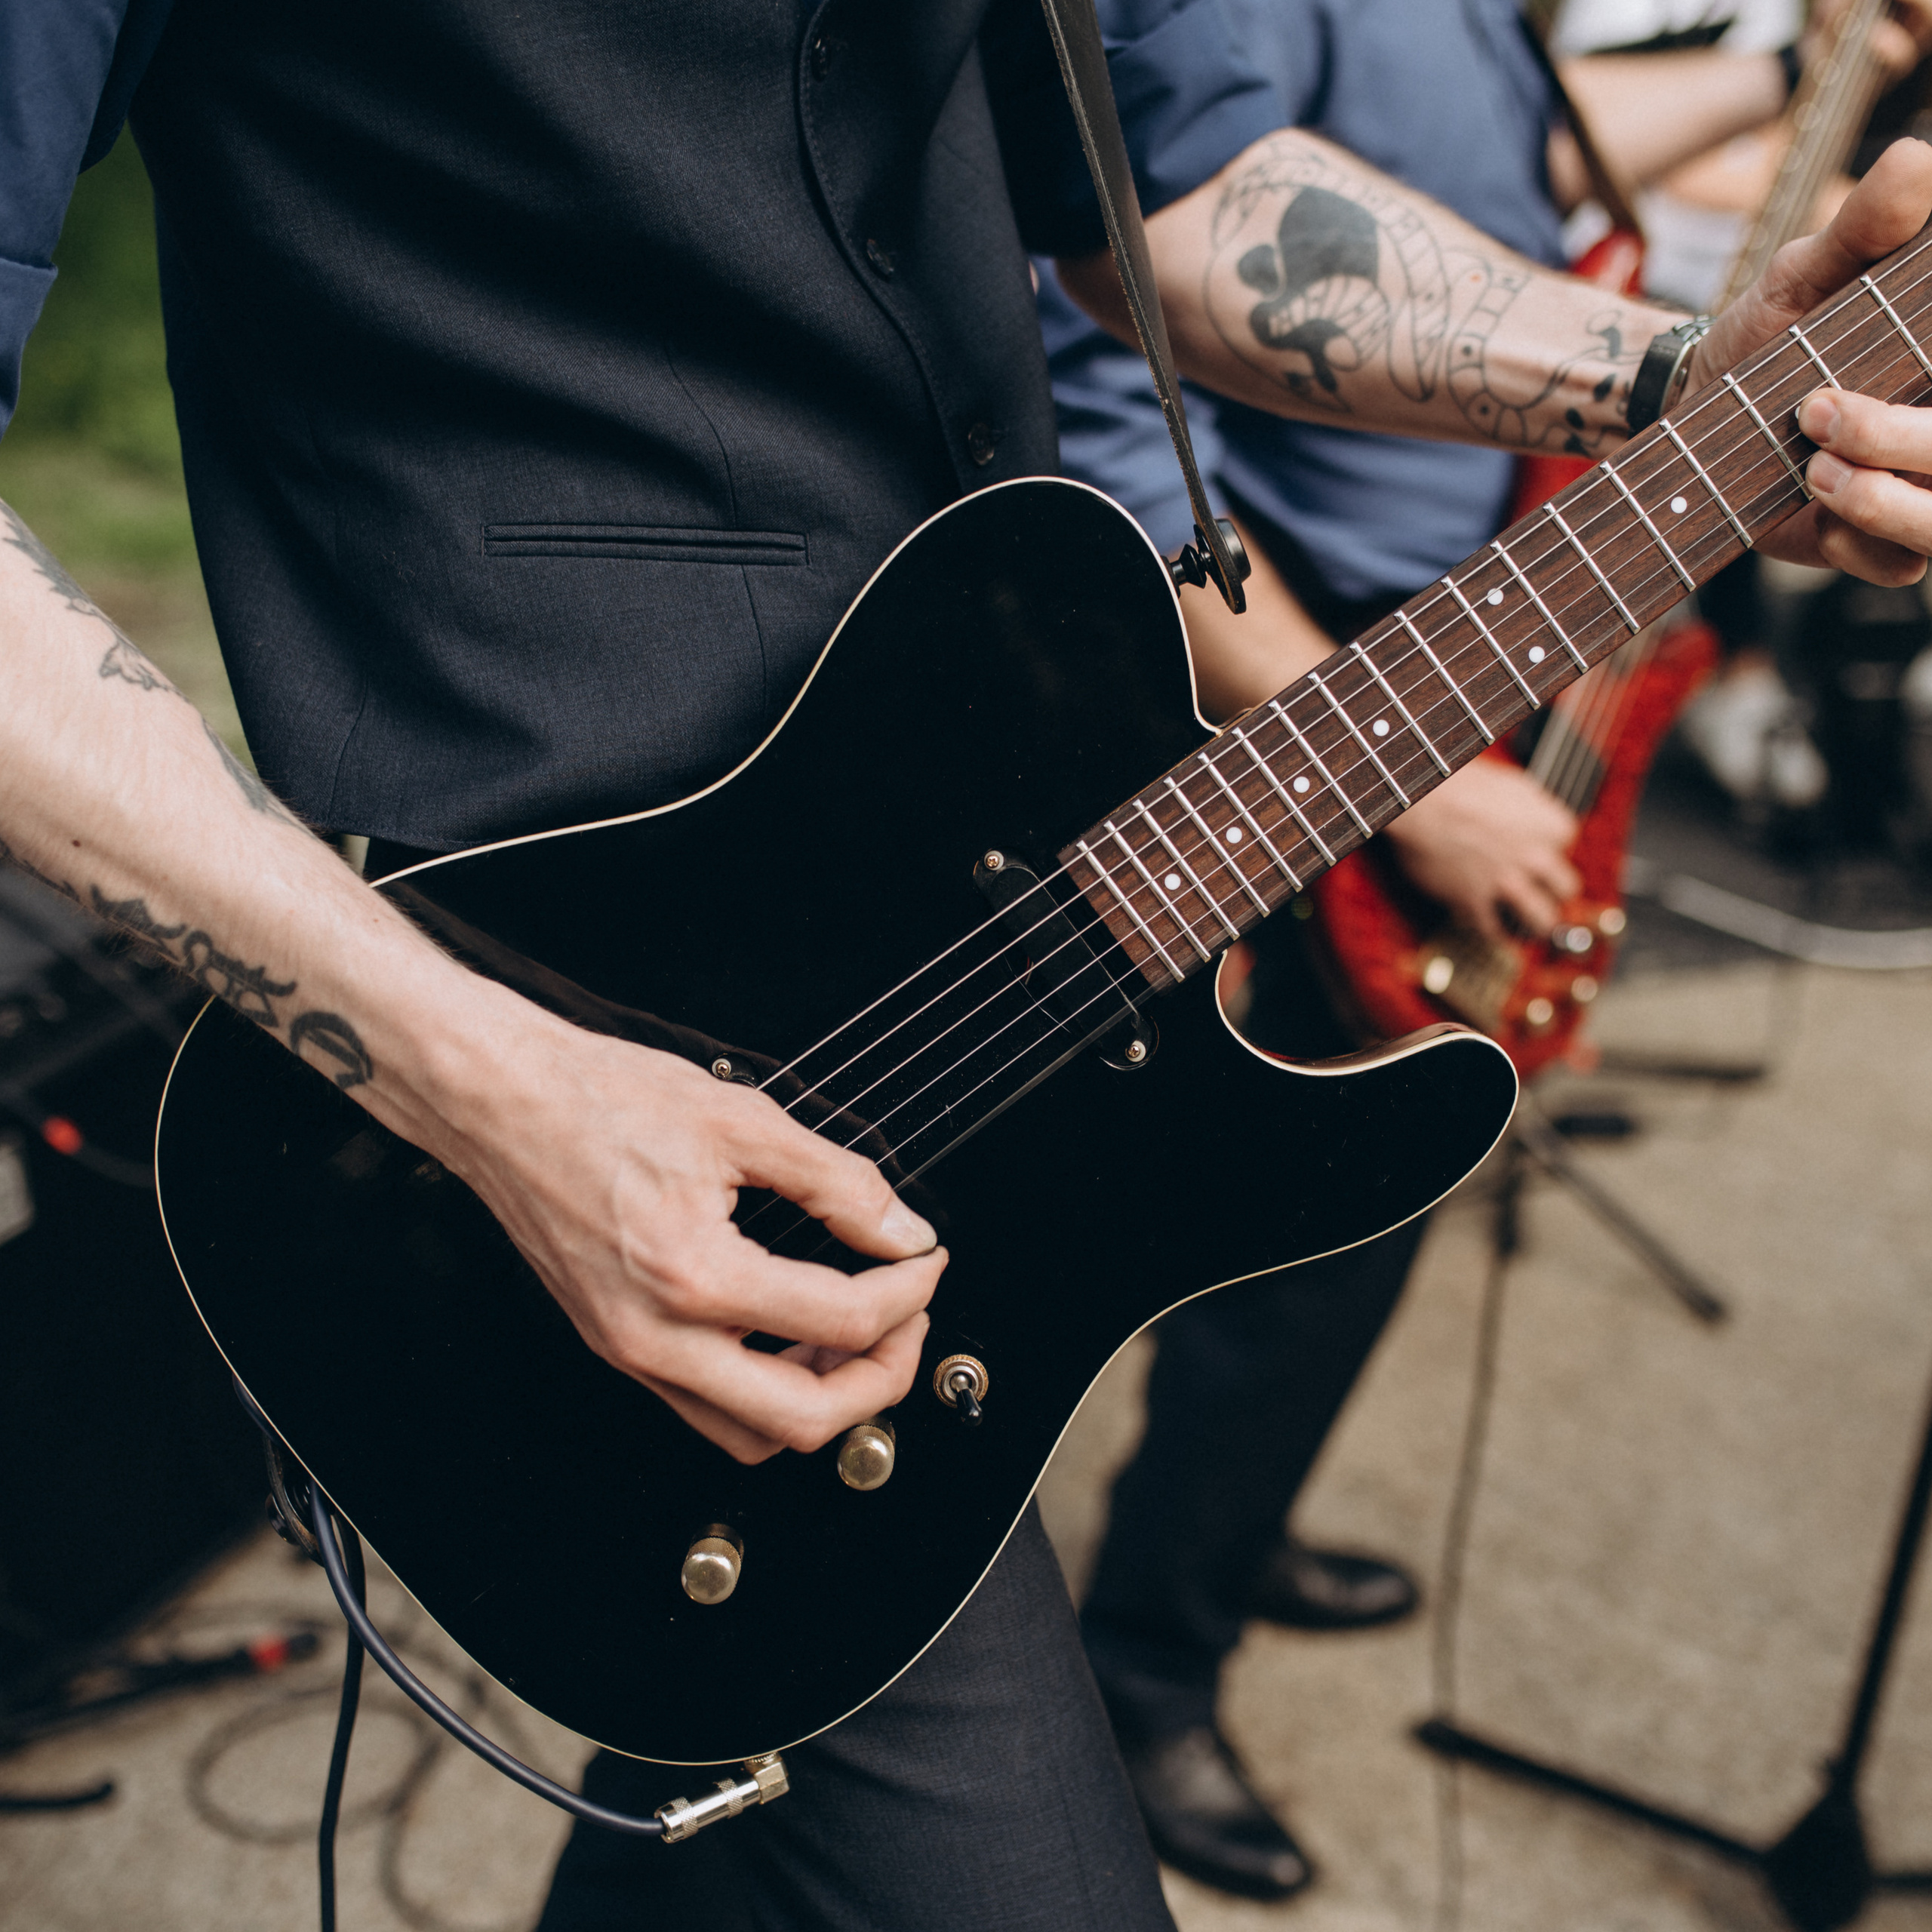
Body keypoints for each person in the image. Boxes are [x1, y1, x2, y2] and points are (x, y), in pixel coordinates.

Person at [5, 4, 1932, 1927]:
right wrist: (491, 1082)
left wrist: (1686, 375)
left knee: (746, 1689)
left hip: (1002, 885)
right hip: (557, 992)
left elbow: (1177, 199)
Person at [1039, 0, 1932, 1901]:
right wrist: (1401, 772)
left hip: (1476, 629)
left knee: (1338, 1223)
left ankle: (1219, 1524)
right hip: (1314, 689)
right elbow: (1103, 405)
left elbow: (1504, 170)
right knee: (1306, 1235)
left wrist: (1809, 69)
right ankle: (1139, 1669)